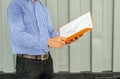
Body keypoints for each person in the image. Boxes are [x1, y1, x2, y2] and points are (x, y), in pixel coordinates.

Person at [7, 0, 66, 79]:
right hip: (28, 64)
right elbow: (18, 36)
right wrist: (48, 42)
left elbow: (50, 31)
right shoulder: (16, 5)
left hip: (47, 61)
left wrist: (65, 37)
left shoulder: (41, 6)